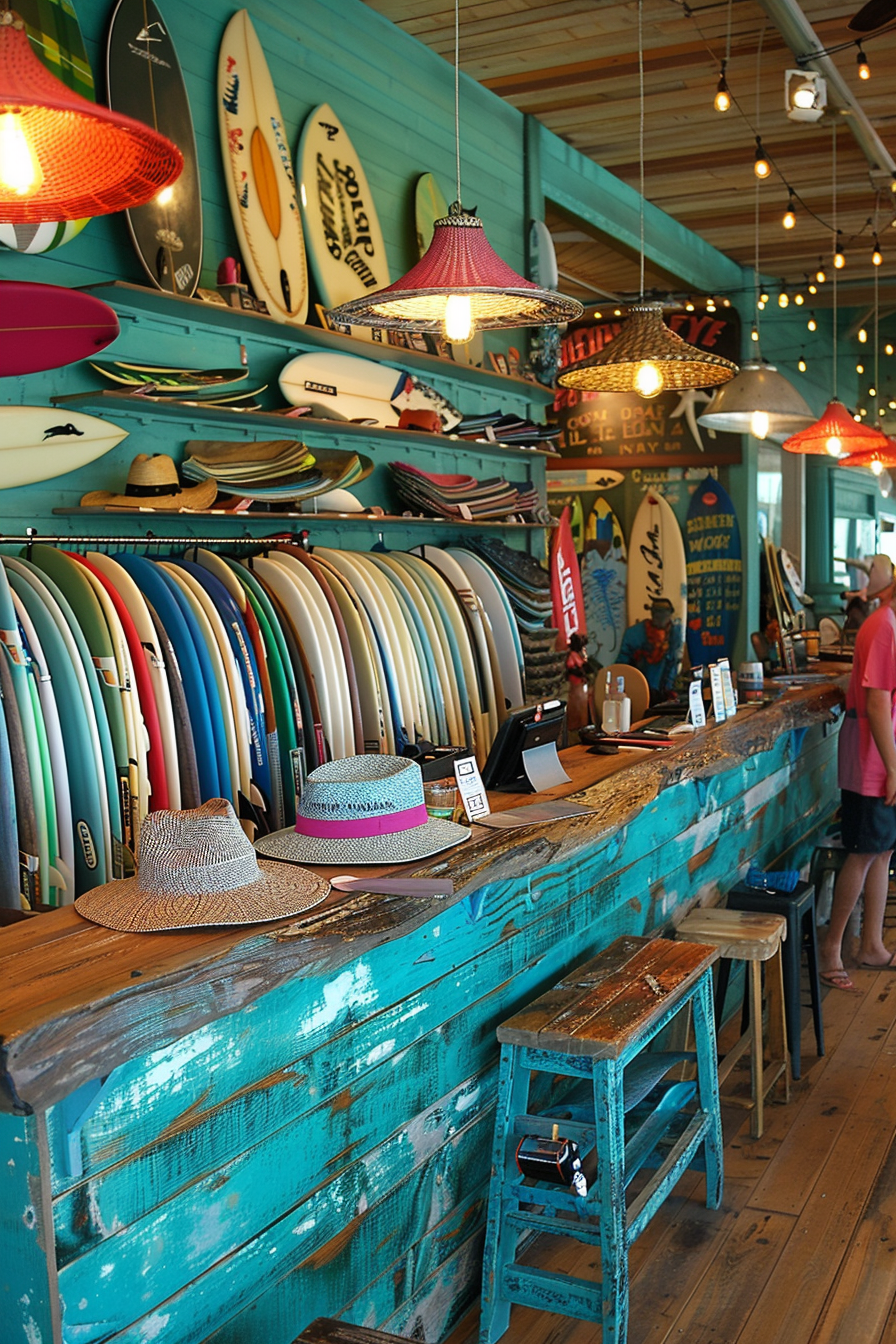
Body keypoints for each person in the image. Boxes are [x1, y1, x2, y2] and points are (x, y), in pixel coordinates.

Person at [820, 553, 896, 991]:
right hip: (872, 758)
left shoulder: (889, 623)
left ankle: (872, 944)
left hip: (882, 756)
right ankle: (833, 946)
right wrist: (891, 768)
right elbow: (876, 703)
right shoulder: (883, 626)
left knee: (883, 851)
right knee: (865, 850)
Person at [618, 597, 683, 702]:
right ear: (652, 613)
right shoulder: (634, 634)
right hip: (638, 689)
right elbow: (622, 665)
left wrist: (668, 688)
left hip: (662, 690)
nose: (661, 617)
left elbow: (673, 663)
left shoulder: (674, 634)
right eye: (657, 612)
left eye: (664, 613)